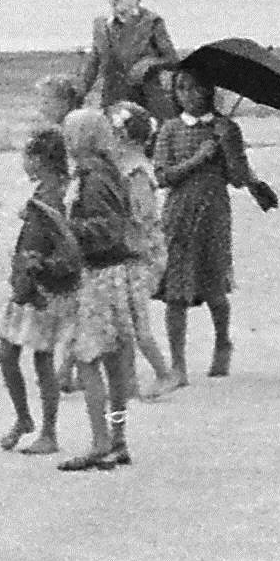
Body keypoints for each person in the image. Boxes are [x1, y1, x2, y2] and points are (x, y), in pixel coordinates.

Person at [151, 64, 259, 386]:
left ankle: (223, 341)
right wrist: (198, 157)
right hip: (178, 213)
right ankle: (178, 365)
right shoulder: (169, 129)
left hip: (213, 212)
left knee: (214, 285)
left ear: (209, 91)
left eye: (195, 88)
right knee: (175, 290)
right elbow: (162, 176)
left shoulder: (227, 128)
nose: (188, 95)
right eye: (181, 89)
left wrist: (226, 147)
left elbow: (238, 178)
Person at [54, 113, 147, 469]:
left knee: (88, 358)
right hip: (118, 273)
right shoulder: (111, 171)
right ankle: (118, 437)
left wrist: (66, 228)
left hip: (97, 274)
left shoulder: (89, 178)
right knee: (116, 361)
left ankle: (100, 440)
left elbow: (102, 228)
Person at [0, 128, 84, 455]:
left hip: (40, 285)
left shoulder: (51, 197)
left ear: (39, 160)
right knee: (12, 354)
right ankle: (26, 420)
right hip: (29, 283)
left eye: (28, 155)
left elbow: (58, 240)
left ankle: (47, 429)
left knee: (38, 358)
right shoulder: (51, 191)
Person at [109, 104, 181, 390]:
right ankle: (130, 382)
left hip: (141, 255)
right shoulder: (126, 169)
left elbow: (144, 216)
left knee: (138, 322)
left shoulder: (137, 173)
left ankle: (164, 372)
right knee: (127, 319)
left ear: (124, 137)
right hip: (132, 252)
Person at [72, 0, 181, 120]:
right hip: (112, 103)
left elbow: (173, 59)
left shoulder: (152, 22)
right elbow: (93, 65)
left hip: (148, 105)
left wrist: (149, 63)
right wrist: (77, 96)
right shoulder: (101, 26)